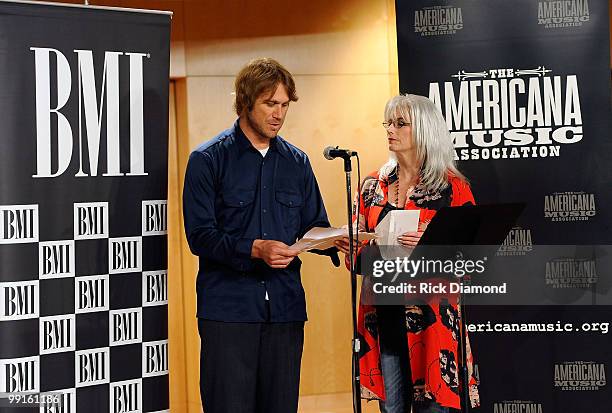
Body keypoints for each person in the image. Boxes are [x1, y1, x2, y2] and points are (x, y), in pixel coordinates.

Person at [183, 58, 338, 413]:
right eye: (271, 104)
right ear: (245, 101)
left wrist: (333, 239)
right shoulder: (207, 160)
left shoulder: (297, 162)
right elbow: (200, 236)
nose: (279, 114)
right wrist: (253, 249)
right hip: (229, 312)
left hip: (285, 310)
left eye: (284, 105)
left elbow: (312, 223)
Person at [336, 94, 480, 412]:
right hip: (383, 317)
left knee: (435, 409)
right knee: (392, 408)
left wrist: (432, 245)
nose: (391, 129)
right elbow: (356, 257)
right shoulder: (371, 185)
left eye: (401, 123)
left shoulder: (452, 187)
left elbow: (472, 259)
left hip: (434, 325)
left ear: (425, 130)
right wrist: (353, 245)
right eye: (388, 122)